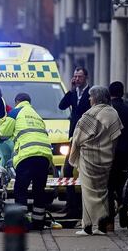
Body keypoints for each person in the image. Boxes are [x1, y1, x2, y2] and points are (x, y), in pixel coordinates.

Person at [69, 86, 123, 235]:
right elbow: (116, 136)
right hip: (106, 159)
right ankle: (101, 226)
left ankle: (87, 227)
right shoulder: (113, 113)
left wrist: (74, 152)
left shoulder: (89, 114)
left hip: (89, 158)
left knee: (88, 192)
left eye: (91, 96)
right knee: (102, 192)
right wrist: (109, 153)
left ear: (96, 98)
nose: (89, 98)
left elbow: (78, 137)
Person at [0, 93, 53, 230]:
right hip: (45, 157)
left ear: (17, 101)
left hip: (27, 156)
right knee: (39, 190)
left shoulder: (15, 112)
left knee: (20, 189)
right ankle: (38, 223)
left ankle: (21, 223)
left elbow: (4, 132)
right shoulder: (37, 115)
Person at [58, 67, 91, 218]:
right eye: (75, 76)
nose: (77, 79)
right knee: (67, 170)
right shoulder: (73, 93)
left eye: (79, 76)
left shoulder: (91, 93)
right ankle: (70, 205)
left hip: (86, 138)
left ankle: (83, 206)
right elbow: (62, 106)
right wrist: (71, 90)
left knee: (85, 171)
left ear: (86, 78)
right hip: (73, 137)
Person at [107, 81, 128, 230]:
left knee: (109, 187)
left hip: (110, 155)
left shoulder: (108, 112)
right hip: (127, 155)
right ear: (123, 93)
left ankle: (110, 222)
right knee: (122, 187)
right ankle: (124, 217)